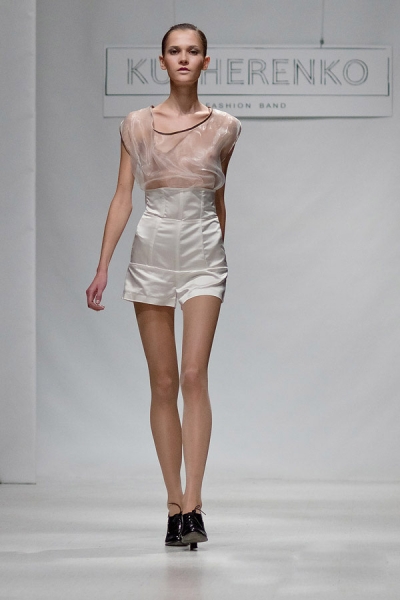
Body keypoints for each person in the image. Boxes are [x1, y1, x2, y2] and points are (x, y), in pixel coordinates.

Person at [86, 23, 241, 550]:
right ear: (161, 61)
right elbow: (123, 195)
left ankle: (194, 505)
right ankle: (173, 504)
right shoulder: (135, 124)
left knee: (194, 375)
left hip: (203, 250)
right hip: (152, 246)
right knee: (163, 382)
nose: (183, 58)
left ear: (206, 61)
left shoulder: (226, 127)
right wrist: (103, 266)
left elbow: (219, 197)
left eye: (193, 51)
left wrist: (218, 251)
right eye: (174, 51)